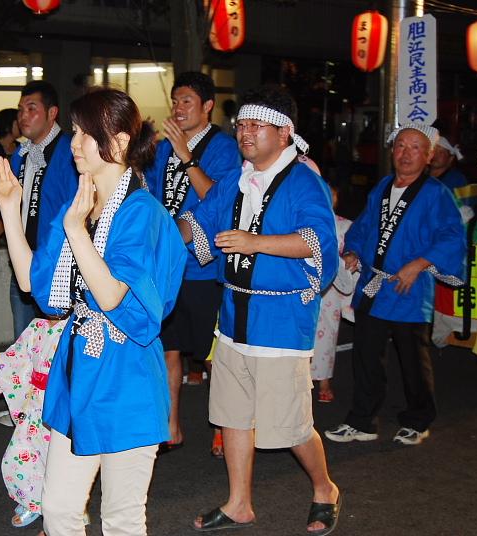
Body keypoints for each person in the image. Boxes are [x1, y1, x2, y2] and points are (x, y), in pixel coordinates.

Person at [0, 87, 186, 536]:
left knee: (121, 518)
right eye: (74, 132)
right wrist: (10, 209)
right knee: (58, 509)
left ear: (118, 142)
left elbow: (112, 295)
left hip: (128, 375)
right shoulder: (79, 205)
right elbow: (32, 283)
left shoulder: (142, 213)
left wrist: (77, 230)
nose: (73, 144)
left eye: (83, 134)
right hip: (79, 369)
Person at [178, 85, 342, 535]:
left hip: (281, 320)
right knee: (231, 415)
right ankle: (239, 504)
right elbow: (199, 221)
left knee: (291, 427)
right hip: (233, 316)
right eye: (242, 125)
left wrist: (255, 243)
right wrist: (156, 237)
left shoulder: (304, 182)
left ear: (285, 133)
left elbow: (318, 242)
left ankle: (325, 488)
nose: (245, 133)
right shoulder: (237, 179)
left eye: (256, 125)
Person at [325, 123, 466, 447]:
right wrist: (353, 252)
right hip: (375, 285)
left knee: (412, 359)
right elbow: (363, 227)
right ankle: (362, 421)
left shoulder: (436, 194)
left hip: (409, 289)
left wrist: (418, 264)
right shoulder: (383, 187)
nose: (405, 153)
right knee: (366, 356)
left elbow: (451, 236)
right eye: (400, 146)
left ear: (429, 156)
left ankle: (418, 420)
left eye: (415, 147)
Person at [144, 71, 241, 454]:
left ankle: (226, 427)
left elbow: (219, 198)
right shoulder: (163, 147)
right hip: (167, 264)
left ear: (207, 106)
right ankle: (171, 427)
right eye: (175, 101)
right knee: (168, 347)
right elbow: (152, 195)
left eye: (187, 101)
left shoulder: (224, 147)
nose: (178, 108)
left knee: (212, 353)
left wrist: (186, 155)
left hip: (204, 267)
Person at [0, 81, 77, 338]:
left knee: (55, 345)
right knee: (24, 345)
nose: (23, 116)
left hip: (56, 267)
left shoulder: (71, 153)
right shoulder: (20, 154)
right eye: (20, 109)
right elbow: (14, 203)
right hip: (22, 261)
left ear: (52, 113)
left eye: (31, 108)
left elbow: (78, 213)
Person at [0, 317, 68, 528]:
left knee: (58, 460)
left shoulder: (74, 327)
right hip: (35, 402)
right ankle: (33, 501)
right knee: (21, 453)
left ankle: (70, 513)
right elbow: (18, 356)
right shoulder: (37, 325)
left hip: (60, 402)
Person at [311, 184, 357, 404]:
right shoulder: (303, 220)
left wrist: (351, 256)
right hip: (303, 283)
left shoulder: (346, 225)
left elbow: (356, 249)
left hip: (330, 288)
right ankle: (298, 379)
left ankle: (324, 380)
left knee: (326, 334)